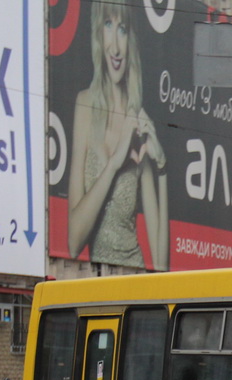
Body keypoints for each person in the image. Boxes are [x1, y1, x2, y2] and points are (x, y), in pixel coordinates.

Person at [67, 4, 168, 269]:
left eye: (122, 29)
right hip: (95, 286)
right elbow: (73, 241)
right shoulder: (85, 105)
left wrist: (163, 169)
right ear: (97, 35)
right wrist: (114, 162)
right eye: (108, 26)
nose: (115, 46)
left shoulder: (139, 122)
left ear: (131, 40)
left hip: (133, 284)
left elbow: (161, 265)